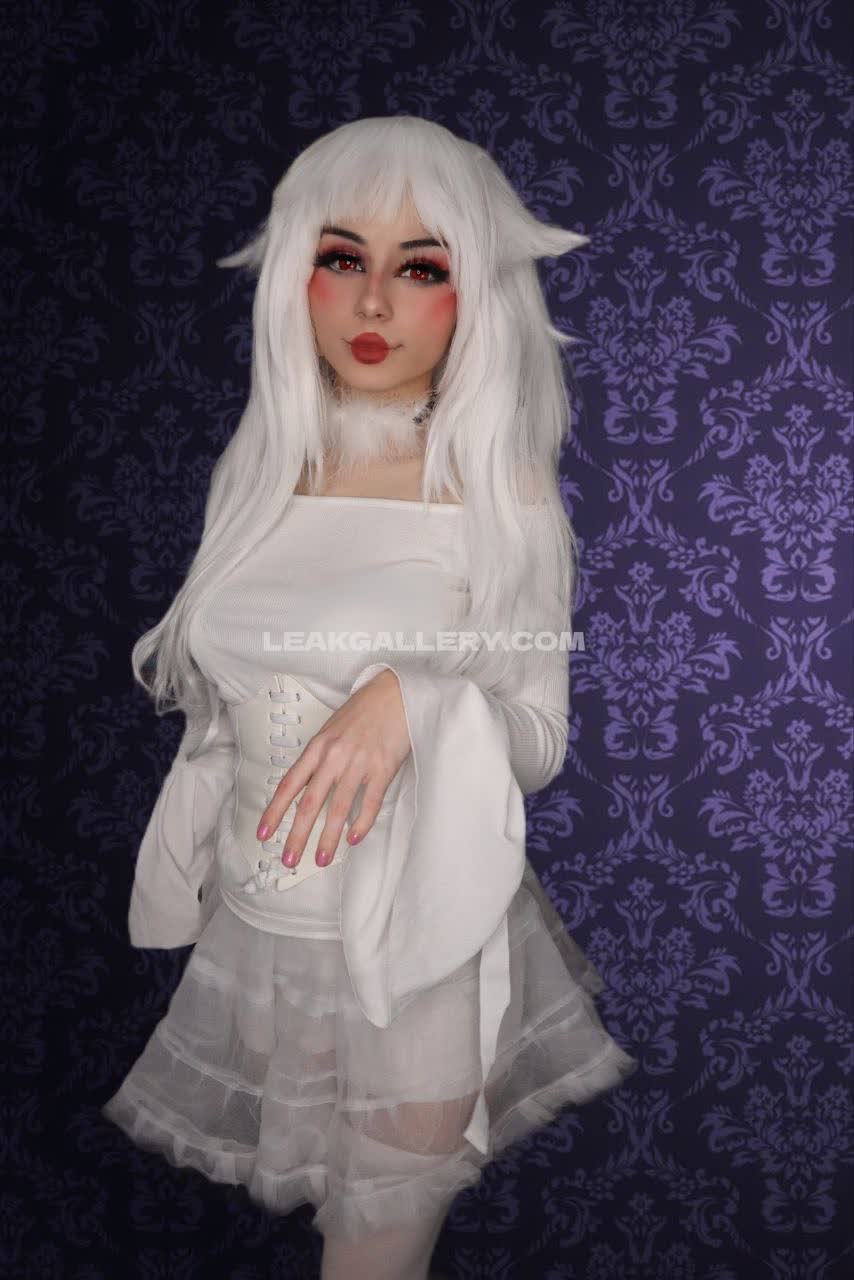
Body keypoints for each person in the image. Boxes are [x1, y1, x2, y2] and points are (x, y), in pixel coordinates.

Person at [101, 115, 638, 1280]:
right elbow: (224, 697)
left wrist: (413, 697)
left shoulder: (500, 493)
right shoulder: (256, 476)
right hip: (257, 933)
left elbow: (537, 739)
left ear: (474, 292)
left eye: (421, 267)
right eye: (341, 257)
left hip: (414, 943)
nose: (373, 302)